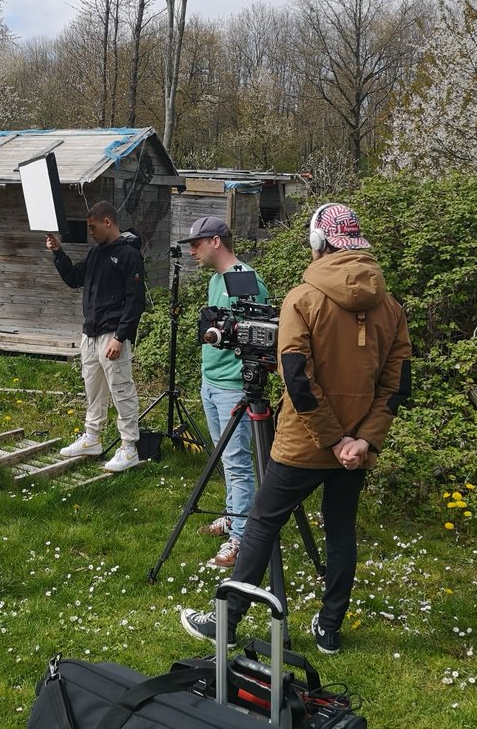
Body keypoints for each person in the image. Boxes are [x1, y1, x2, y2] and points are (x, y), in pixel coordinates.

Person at [180, 203, 412, 654]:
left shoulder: (302, 299)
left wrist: (334, 438)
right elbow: (396, 385)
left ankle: (226, 623)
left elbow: (297, 379)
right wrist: (362, 439)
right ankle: (329, 628)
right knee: (341, 530)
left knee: (264, 522)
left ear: (317, 243)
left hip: (305, 441)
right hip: (357, 449)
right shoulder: (390, 307)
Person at [180, 216, 269, 569]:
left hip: (235, 388)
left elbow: (257, 333)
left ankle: (242, 537)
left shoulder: (244, 280)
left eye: (196, 243)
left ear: (216, 242)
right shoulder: (217, 279)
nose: (191, 251)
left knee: (238, 463)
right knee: (224, 459)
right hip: (211, 382)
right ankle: (233, 517)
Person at [45, 201, 146, 472]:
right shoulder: (96, 253)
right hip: (90, 335)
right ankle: (92, 439)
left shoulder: (129, 254)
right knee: (94, 391)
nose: (90, 232)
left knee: (122, 391)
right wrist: (58, 253)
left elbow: (135, 301)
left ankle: (129, 448)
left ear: (108, 222)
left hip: (113, 336)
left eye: (93, 227)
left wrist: (120, 336)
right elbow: (74, 278)